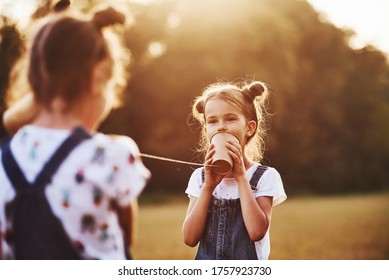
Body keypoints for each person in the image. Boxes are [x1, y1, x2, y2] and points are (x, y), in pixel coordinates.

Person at [0, 1, 150, 260]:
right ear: (97, 78)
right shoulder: (115, 154)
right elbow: (125, 245)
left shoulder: (4, 161)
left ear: (35, 81)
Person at [182, 80, 286, 260]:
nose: (221, 126)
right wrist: (208, 187)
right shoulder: (199, 178)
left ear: (250, 128)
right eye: (212, 121)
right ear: (206, 129)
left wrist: (241, 177)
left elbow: (256, 232)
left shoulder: (265, 176)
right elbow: (189, 238)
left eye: (230, 119)